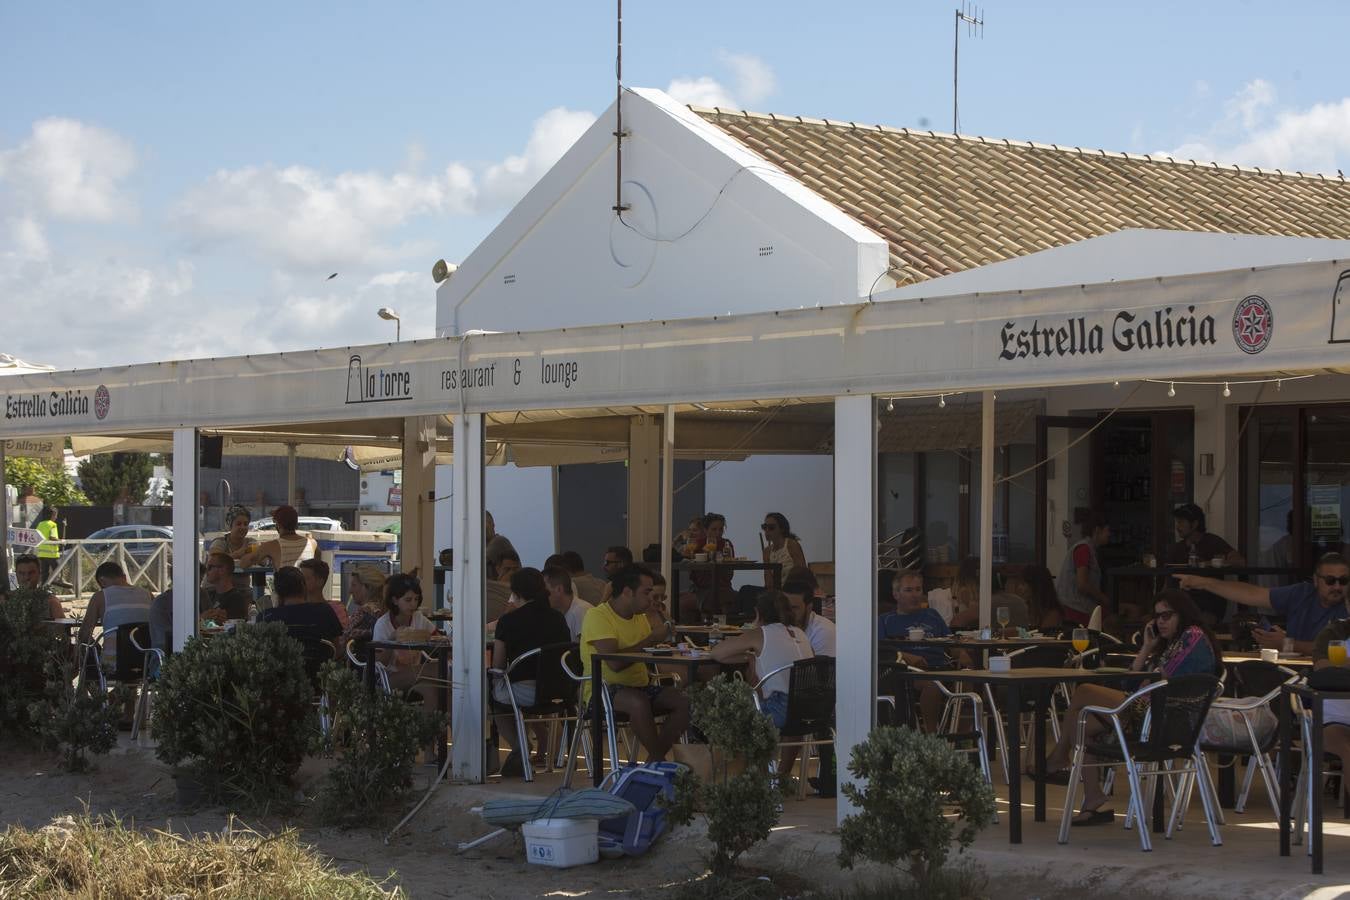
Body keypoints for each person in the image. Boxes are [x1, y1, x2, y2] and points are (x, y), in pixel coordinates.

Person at [1039, 589, 1219, 825]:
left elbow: (1153, 681)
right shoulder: (1173, 642)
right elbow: (1135, 681)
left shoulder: (1192, 636)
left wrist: (1143, 677)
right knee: (1080, 724)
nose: (1160, 622)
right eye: (1156, 617)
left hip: (1165, 719)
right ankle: (1092, 798)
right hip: (1150, 713)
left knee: (1083, 692)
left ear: (1183, 613)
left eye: (1167, 616)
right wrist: (1146, 648)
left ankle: (1059, 757)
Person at [579, 564, 690, 762]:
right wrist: (651, 640)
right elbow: (613, 663)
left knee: (685, 700)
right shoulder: (598, 616)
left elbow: (644, 651)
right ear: (628, 592)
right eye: (647, 592)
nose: (650, 598)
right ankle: (658, 762)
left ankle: (653, 761)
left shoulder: (640, 618)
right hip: (602, 691)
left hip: (640, 687)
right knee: (638, 703)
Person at [1177, 551, 1350, 654]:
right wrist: (1203, 582)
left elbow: (1339, 650)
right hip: (1293, 676)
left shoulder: (1347, 607)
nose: (1337, 586)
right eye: (1330, 580)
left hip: (1332, 684)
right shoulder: (1302, 594)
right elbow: (1252, 594)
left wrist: (1287, 644)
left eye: (1343, 581)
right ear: (1315, 580)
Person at [490, 567, 572, 776]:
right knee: (506, 690)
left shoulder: (508, 621)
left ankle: (520, 746)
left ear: (516, 594)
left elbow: (498, 665)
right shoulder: (558, 618)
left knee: (492, 693)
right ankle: (529, 744)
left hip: (524, 691)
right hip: (559, 691)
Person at [710, 590, 814, 728]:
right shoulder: (800, 633)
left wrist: (749, 656)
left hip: (780, 710)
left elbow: (717, 653)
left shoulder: (760, 634)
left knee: (728, 710)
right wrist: (753, 656)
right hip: (810, 708)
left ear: (758, 613)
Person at [879, 569, 960, 732]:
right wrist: (907, 657)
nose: (915, 595)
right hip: (909, 673)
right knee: (932, 685)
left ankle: (963, 735)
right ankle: (932, 736)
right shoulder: (885, 620)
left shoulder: (932, 615)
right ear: (896, 594)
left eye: (918, 589)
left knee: (971, 679)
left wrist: (962, 653)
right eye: (908, 590)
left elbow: (950, 641)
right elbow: (879, 649)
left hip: (941, 668)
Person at [78, 561, 154, 671]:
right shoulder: (148, 594)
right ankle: (126, 688)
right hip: (145, 660)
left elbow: (84, 633)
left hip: (113, 663)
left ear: (102, 581)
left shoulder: (100, 597)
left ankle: (90, 687)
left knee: (84, 647)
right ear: (124, 577)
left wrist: (97, 648)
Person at [370, 572, 434, 693]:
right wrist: (392, 640)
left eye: (416, 599)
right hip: (386, 678)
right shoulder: (383, 624)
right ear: (394, 600)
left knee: (434, 686)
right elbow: (377, 663)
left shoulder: (418, 618)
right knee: (434, 672)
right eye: (408, 600)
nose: (413, 604)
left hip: (413, 674)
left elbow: (439, 638)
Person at [260, 565, 342, 645]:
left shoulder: (265, 617)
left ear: (278, 592)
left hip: (281, 659)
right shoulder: (325, 611)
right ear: (303, 588)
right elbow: (336, 647)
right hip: (320, 658)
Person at [1057, 509, 1111, 626]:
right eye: (1107, 530)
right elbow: (1082, 584)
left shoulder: (1089, 549)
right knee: (1111, 622)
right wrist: (1103, 598)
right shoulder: (1084, 549)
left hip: (1078, 607)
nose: (1109, 534)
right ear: (1097, 530)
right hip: (1076, 610)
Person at [1167, 503, 1244, 567]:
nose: (1177, 526)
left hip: (1210, 585)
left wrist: (1208, 563)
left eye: (1181, 522)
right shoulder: (1176, 549)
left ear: (1194, 524)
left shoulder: (1213, 542)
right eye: (1177, 522)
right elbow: (1168, 580)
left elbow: (1240, 561)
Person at [207, 505, 260, 590]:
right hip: (216, 590)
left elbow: (262, 559)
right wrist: (238, 554)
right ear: (230, 526)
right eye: (238, 524)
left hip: (242, 590)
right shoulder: (220, 542)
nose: (242, 527)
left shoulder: (251, 543)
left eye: (245, 524)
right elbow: (214, 560)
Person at [340, 564, 387, 652]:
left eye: (354, 585)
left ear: (367, 587)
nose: (350, 590)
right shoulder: (385, 611)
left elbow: (344, 644)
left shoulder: (363, 613)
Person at [782, 579, 835, 656]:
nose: (787, 612)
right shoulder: (779, 626)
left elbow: (817, 667)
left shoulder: (823, 632)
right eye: (784, 607)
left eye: (794, 608)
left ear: (809, 608)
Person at [254, 505, 316, 569]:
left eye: (275, 522)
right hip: (305, 579)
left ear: (278, 525)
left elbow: (246, 563)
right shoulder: (312, 543)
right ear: (296, 525)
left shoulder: (271, 546)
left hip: (285, 579)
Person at [542, 565, 593, 641]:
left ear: (558, 589)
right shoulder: (558, 614)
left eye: (544, 590)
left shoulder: (581, 610)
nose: (541, 595)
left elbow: (585, 650)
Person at [1009, 564, 1062, 631]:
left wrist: (1017, 631)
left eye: (1023, 584)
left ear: (1037, 586)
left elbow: (1042, 635)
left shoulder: (1052, 612)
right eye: (1019, 583)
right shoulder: (1024, 609)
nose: (1019, 588)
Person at [298, 557, 347, 629]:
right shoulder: (297, 607)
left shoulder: (336, 609)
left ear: (320, 582)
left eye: (306, 578)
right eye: (299, 578)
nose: (300, 582)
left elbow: (342, 636)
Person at [13, 553, 65, 619]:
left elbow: (62, 628)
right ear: (16, 574)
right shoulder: (8, 600)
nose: (26, 577)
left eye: (31, 573)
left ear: (39, 574)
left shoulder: (51, 602)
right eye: (22, 573)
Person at [760, 513, 807, 587]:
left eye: (771, 527)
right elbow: (768, 582)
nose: (767, 530)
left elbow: (803, 573)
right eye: (765, 527)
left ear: (782, 529)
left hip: (792, 590)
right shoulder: (767, 552)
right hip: (776, 591)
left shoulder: (791, 545)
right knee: (746, 590)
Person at [202, 551, 252, 620]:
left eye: (210, 567)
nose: (206, 571)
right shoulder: (209, 594)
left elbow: (233, 627)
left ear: (222, 569)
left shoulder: (236, 599)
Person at [486, 549, 520, 623]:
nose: (511, 573)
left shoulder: (521, 590)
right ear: (498, 568)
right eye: (507, 569)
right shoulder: (487, 588)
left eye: (514, 569)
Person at [484, 510, 517, 581]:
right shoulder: (484, 549)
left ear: (493, 525)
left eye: (486, 522)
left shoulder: (499, 541)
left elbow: (477, 563)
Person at [32, 506, 60, 585]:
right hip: (51, 554)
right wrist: (61, 541)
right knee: (58, 569)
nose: (56, 517)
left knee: (44, 573)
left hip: (41, 553)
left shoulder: (40, 524)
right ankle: (55, 581)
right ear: (53, 515)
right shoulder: (52, 525)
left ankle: (43, 589)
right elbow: (52, 537)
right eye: (56, 515)